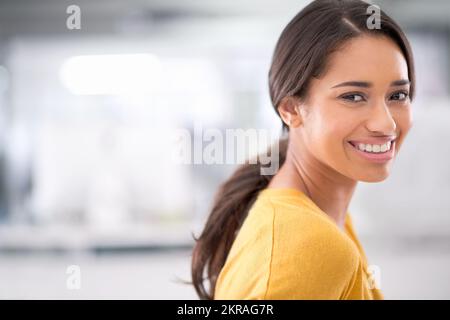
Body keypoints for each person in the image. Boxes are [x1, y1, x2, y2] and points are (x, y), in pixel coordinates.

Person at [191, 0, 415, 300]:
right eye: (353, 96)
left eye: (397, 95)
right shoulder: (310, 244)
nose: (385, 124)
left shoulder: (326, 220)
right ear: (291, 109)